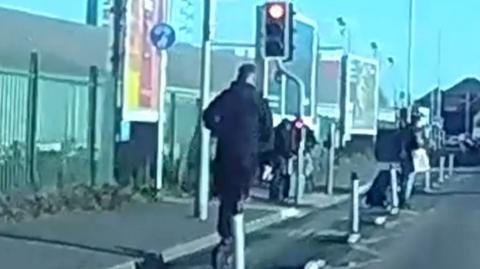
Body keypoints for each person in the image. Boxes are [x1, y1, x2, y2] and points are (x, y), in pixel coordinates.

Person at [203, 63, 267, 268]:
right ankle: (233, 232)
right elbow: (268, 131)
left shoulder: (228, 96)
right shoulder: (258, 101)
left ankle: (226, 236)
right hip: (248, 156)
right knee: (240, 194)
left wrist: (220, 131)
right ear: (253, 78)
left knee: (226, 195)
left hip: (226, 154)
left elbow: (208, 116)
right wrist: (260, 147)